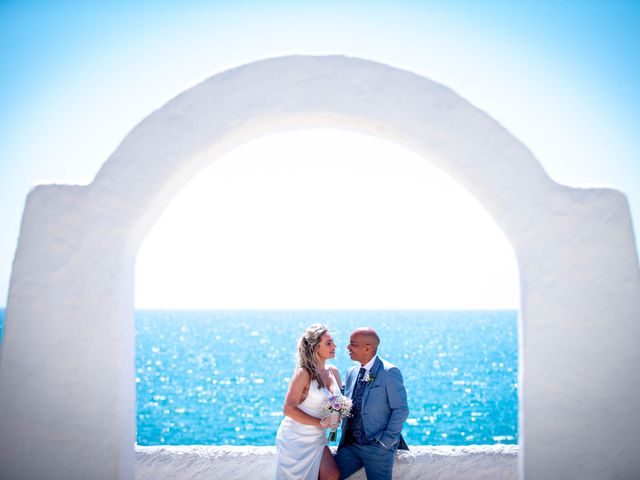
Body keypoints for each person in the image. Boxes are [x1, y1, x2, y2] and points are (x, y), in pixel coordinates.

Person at [335, 327, 409, 480]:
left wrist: (385, 443)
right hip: (350, 447)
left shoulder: (389, 372)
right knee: (328, 476)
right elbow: (345, 400)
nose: (348, 347)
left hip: (377, 448)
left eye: (352, 344)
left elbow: (400, 410)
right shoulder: (351, 372)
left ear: (367, 348)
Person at [276, 324, 343, 480]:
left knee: (332, 475)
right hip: (295, 439)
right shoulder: (303, 373)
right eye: (328, 343)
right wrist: (321, 423)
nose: (334, 346)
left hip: (318, 439)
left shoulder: (334, 372)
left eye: (333, 341)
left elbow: (338, 403)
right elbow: (288, 409)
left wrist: (338, 415)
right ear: (314, 347)